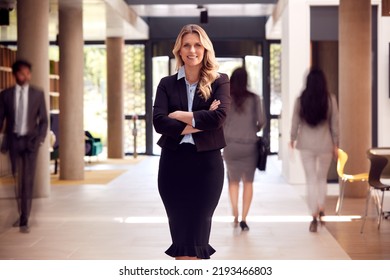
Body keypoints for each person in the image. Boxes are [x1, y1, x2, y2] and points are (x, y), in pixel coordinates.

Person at [153, 24, 230, 260]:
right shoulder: (166, 83)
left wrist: (178, 115)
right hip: (172, 165)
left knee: (197, 237)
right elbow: (159, 123)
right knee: (180, 238)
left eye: (197, 45)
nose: (192, 50)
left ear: (205, 49)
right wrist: (200, 119)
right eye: (186, 45)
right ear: (179, 49)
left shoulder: (220, 81)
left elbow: (219, 118)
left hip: (206, 166)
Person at [0, 60, 48, 233]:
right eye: (22, 73)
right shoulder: (5, 95)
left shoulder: (37, 94)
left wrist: (40, 139)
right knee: (16, 178)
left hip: (31, 143)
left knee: (27, 180)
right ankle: (22, 213)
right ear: (14, 75)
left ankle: (24, 219)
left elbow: (43, 120)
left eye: (28, 73)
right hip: (13, 141)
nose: (25, 76)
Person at [290, 67, 339, 233]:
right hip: (325, 144)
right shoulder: (330, 100)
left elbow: (295, 121)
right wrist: (336, 145)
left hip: (306, 145)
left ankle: (313, 215)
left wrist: (292, 138)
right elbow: (335, 125)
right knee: (321, 179)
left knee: (311, 179)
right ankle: (322, 208)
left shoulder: (301, 100)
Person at [223, 67, 266, 231]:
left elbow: (222, 121)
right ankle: (244, 218)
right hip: (249, 145)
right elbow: (261, 121)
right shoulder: (254, 98)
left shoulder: (227, 98)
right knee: (248, 181)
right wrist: (252, 129)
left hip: (230, 145)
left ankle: (234, 213)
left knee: (233, 181)